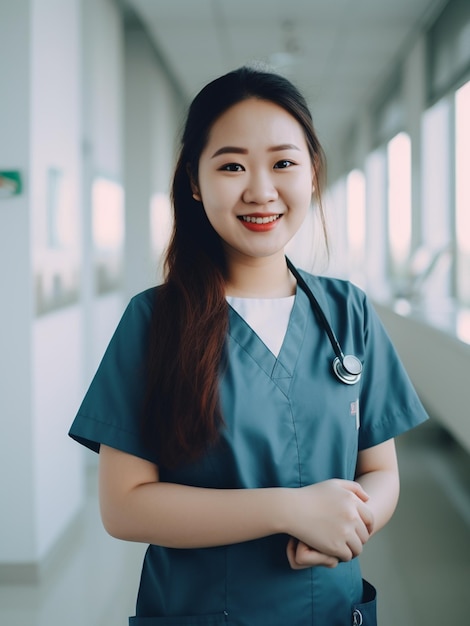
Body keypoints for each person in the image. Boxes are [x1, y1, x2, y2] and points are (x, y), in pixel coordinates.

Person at [69, 66, 428, 626]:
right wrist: (291, 509)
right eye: (232, 165)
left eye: (283, 162)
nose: (260, 190)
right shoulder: (153, 320)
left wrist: (351, 524)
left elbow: (381, 472)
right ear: (194, 181)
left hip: (332, 606)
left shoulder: (347, 312)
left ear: (311, 173)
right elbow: (124, 505)